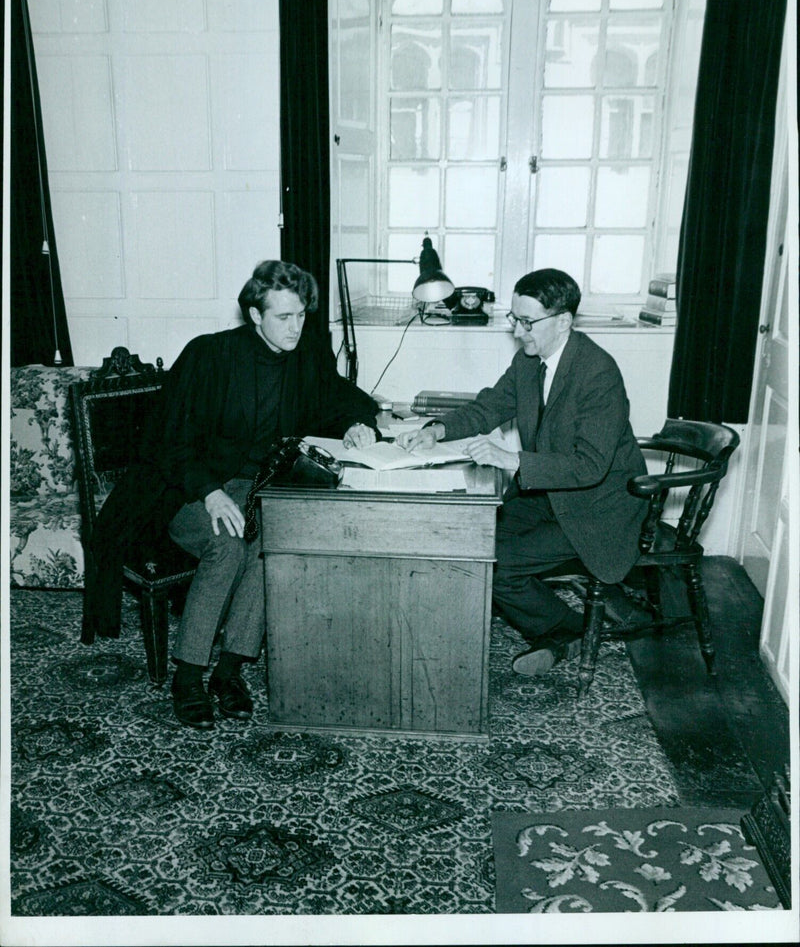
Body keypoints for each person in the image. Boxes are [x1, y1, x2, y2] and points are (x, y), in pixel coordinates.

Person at [84, 260, 379, 729]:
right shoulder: (210, 356)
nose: (295, 327)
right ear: (255, 315)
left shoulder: (306, 354)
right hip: (185, 488)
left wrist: (358, 423)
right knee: (226, 545)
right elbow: (165, 442)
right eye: (283, 317)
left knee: (272, 546)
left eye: (301, 315)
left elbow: (339, 398)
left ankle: (229, 671)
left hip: (259, 486)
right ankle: (188, 676)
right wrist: (210, 493)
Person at [397, 268, 647, 678]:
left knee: (498, 563)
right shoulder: (530, 361)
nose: (517, 331)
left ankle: (564, 629)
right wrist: (436, 430)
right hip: (549, 493)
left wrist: (511, 460)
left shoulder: (598, 372)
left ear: (563, 321)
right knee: (470, 539)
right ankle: (560, 626)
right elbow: (491, 406)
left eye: (527, 322)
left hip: (597, 508)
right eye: (514, 318)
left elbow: (591, 465)